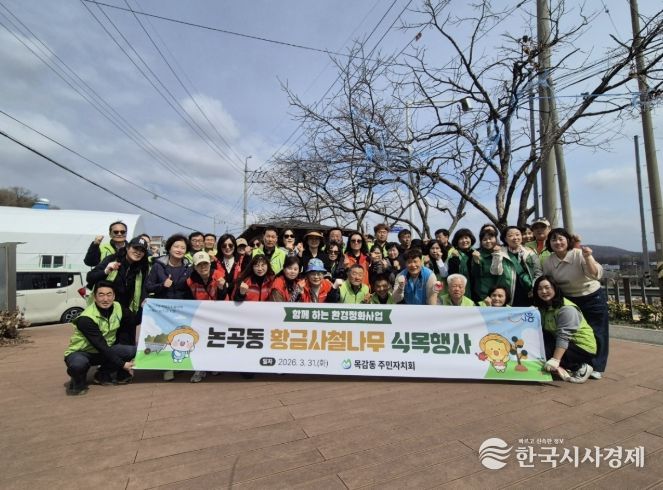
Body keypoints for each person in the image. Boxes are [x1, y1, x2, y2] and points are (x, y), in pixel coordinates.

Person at [542, 228, 608, 379]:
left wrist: (588, 257)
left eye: (561, 239)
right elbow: (549, 281)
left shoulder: (579, 254)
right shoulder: (549, 261)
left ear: (568, 240)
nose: (557, 242)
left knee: (598, 332)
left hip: (591, 297)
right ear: (549, 243)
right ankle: (580, 364)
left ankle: (597, 366)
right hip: (569, 300)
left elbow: (596, 274)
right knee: (575, 334)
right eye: (553, 239)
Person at [63, 281, 136, 395]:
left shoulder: (118, 307)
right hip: (81, 352)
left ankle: (102, 373)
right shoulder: (86, 318)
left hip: (103, 351)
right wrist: (123, 364)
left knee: (132, 351)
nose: (105, 299)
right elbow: (101, 346)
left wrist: (146, 306)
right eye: (101, 295)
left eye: (109, 294)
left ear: (114, 296)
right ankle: (78, 380)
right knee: (78, 366)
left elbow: (135, 320)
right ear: (94, 297)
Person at [533, 276, 596, 383]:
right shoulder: (544, 307)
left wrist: (555, 360)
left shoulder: (566, 309)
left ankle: (580, 367)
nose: (543, 291)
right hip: (564, 342)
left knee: (545, 351)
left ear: (555, 288)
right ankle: (563, 365)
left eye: (547, 287)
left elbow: (564, 336)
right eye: (539, 289)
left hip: (581, 347)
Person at [186, 251, 226, 383]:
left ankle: (213, 364)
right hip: (200, 316)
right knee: (200, 341)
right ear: (195, 267)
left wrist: (221, 288)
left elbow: (223, 298)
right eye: (199, 265)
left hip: (218, 315)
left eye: (205, 264)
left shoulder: (219, 275)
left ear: (210, 264)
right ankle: (199, 368)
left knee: (215, 341)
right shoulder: (190, 281)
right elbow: (188, 300)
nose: (203, 267)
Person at [87, 236, 149, 321]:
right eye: (135, 248)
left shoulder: (143, 268)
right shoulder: (112, 259)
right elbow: (90, 277)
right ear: (127, 248)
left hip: (126, 313)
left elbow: (143, 290)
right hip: (104, 311)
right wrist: (106, 271)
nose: (138, 252)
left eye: (142, 250)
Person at [491, 226, 541, 306]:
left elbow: (538, 272)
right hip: (509, 294)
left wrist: (534, 288)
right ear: (505, 239)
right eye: (510, 235)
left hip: (529, 293)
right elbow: (496, 272)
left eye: (518, 234)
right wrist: (497, 255)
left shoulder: (530, 252)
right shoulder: (500, 252)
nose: (515, 238)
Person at [146, 233, 192, 300]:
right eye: (176, 247)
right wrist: (162, 285)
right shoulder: (158, 266)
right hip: (162, 304)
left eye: (183, 248)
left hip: (182, 305)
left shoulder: (189, 268)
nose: (179, 250)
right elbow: (148, 287)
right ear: (169, 248)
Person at [470, 228, 501, 303]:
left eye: (490, 238)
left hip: (501, 294)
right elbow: (476, 275)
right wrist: (476, 261)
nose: (488, 241)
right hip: (483, 295)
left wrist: (497, 255)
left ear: (496, 239)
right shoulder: (477, 254)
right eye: (484, 239)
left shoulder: (503, 252)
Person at [447, 228, 477, 294]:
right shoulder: (453, 254)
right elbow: (452, 275)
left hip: (476, 291)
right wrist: (455, 258)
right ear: (457, 241)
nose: (464, 241)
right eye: (461, 239)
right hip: (459, 291)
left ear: (471, 239)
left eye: (466, 238)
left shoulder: (476, 253)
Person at [216, 233, 246, 299]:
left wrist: (229, 285)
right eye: (224, 245)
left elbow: (244, 279)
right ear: (220, 247)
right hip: (220, 298)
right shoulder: (215, 261)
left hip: (238, 298)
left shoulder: (242, 260)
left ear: (235, 246)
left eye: (230, 245)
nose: (227, 247)